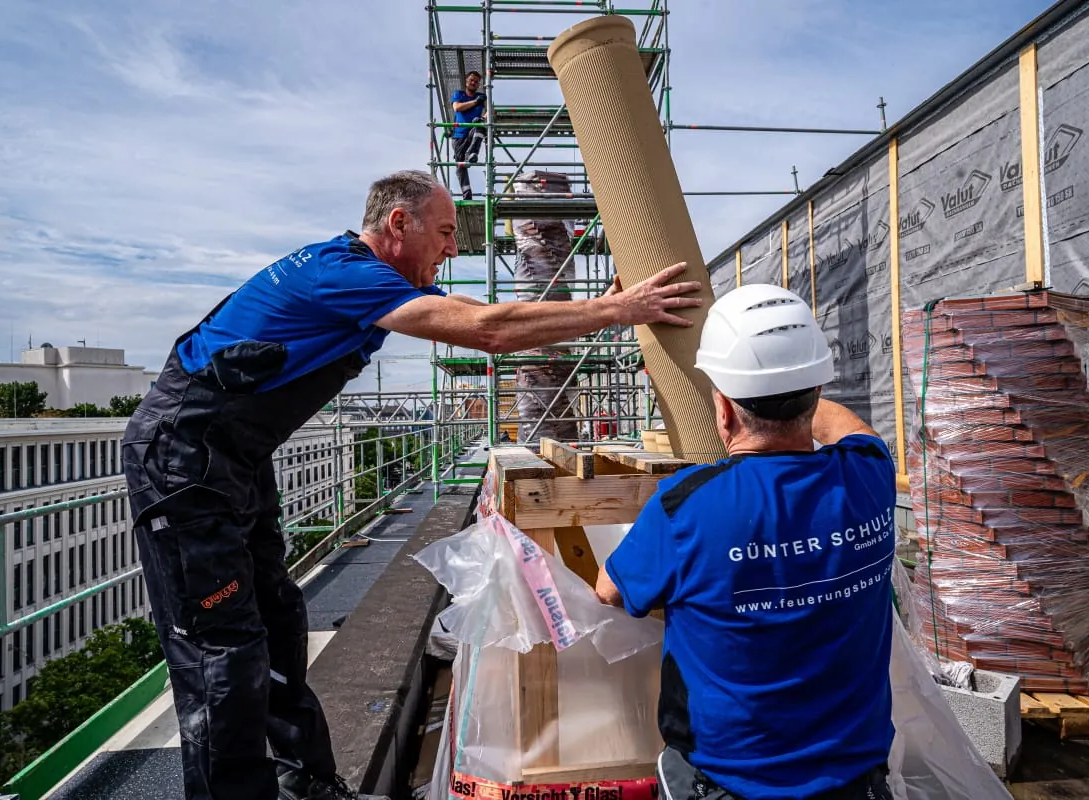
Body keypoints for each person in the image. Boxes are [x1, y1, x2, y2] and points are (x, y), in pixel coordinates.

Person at [121, 169, 701, 800]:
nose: (452, 249)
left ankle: (308, 785)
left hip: (231, 457)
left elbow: (487, 320)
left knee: (278, 620)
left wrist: (597, 310)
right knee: (221, 652)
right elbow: (489, 332)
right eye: (446, 232)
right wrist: (617, 309)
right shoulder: (344, 273)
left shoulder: (347, 271)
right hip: (185, 459)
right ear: (399, 225)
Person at [594, 284, 898, 800]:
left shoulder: (685, 508)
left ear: (725, 410)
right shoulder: (871, 478)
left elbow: (610, 591)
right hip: (856, 781)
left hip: (729, 781)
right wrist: (792, 382)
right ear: (817, 391)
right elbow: (852, 430)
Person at [450, 70, 487, 199]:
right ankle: (467, 193)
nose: (473, 83)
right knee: (460, 166)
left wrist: (486, 115)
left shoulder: (482, 98)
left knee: (479, 123)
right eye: (471, 80)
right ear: (466, 81)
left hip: (472, 131)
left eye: (476, 82)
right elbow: (457, 108)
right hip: (459, 136)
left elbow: (488, 112)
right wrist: (476, 102)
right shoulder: (458, 94)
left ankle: (472, 152)